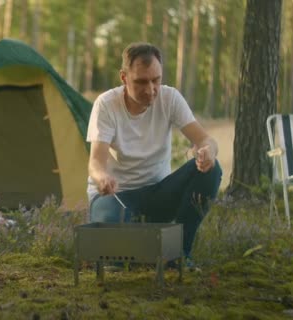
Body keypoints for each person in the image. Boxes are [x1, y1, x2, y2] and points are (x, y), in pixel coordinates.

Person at [86, 42, 222, 263]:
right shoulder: (106, 104)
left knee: (212, 171)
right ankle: (140, 247)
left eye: (156, 80)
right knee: (115, 258)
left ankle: (178, 255)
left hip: (157, 194)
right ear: (123, 78)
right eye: (141, 82)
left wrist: (208, 151)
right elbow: (95, 162)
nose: (150, 90)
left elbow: (205, 139)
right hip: (115, 197)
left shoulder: (170, 98)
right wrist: (102, 178)